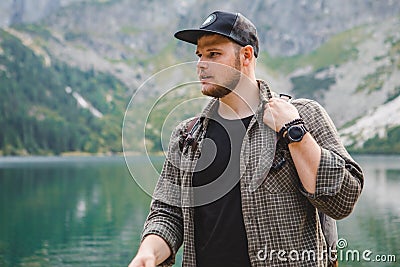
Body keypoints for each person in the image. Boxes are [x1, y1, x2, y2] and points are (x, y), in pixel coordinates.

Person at [128, 10, 364, 267]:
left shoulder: (304, 114)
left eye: (213, 54)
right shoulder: (186, 136)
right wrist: (147, 254)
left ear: (246, 55)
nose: (201, 64)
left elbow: (343, 200)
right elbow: (168, 212)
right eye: (199, 55)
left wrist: (295, 133)